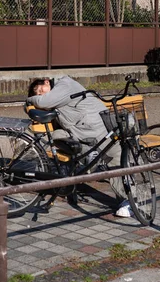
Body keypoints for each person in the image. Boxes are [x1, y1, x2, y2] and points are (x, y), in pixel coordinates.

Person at [26, 76, 133, 218]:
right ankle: (87, 160)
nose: (41, 94)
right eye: (38, 94)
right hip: (86, 133)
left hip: (98, 130)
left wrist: (29, 100)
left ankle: (128, 200)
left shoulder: (64, 85)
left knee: (116, 162)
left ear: (47, 82)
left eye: (41, 90)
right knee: (57, 135)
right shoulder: (57, 96)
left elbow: (44, 101)